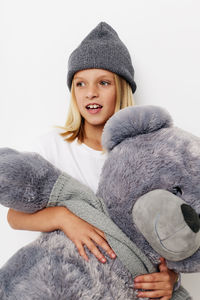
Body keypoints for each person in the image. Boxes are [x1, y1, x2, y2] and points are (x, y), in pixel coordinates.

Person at [7, 22, 179, 299]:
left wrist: (170, 277)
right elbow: (15, 217)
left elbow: (170, 228)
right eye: (80, 83)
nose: (91, 93)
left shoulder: (148, 155)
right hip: (66, 284)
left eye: (104, 82)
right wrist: (64, 218)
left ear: (121, 88)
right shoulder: (52, 147)